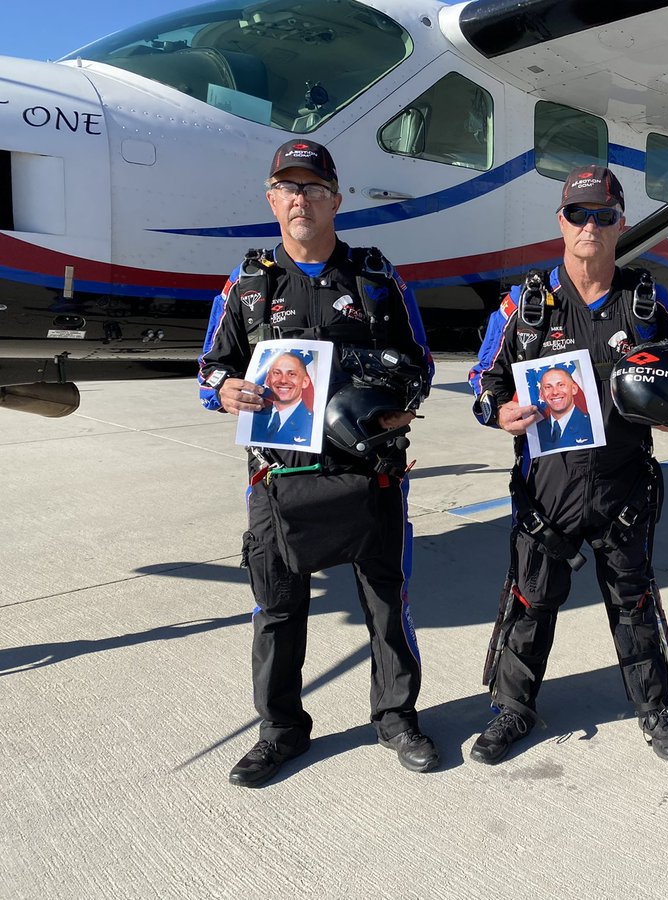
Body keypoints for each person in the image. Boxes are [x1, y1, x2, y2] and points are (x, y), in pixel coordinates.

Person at [198, 139, 439, 786]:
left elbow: (421, 362)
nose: (301, 199)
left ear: (336, 197)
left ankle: (396, 718)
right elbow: (210, 368)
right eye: (288, 187)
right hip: (277, 478)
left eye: (313, 187)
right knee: (277, 609)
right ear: (272, 199)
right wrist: (225, 391)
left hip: (370, 473)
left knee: (387, 603)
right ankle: (280, 731)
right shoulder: (248, 284)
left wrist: (401, 405)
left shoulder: (376, 277)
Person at [468, 165, 668, 765]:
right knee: (530, 601)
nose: (590, 226)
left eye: (603, 215)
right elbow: (482, 381)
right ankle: (513, 709)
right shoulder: (524, 307)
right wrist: (498, 412)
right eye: (579, 214)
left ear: (621, 223)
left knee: (635, 602)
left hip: (623, 488)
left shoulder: (647, 303)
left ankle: (654, 708)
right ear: (561, 222)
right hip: (545, 492)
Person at [249, 350, 315, 446]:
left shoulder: (313, 422)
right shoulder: (255, 418)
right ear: (268, 380)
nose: (283, 380)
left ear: (305, 382)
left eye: (292, 374)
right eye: (277, 373)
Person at [534, 365, 593, 449]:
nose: (555, 392)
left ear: (574, 389)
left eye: (561, 385)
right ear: (541, 394)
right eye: (548, 387)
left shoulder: (591, 425)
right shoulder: (536, 431)